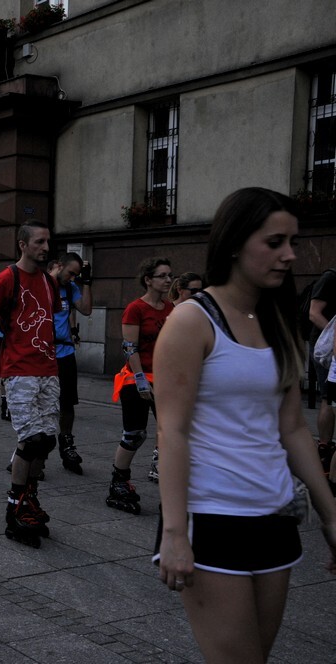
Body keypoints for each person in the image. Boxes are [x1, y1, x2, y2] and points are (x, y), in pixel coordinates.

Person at [154, 187, 336, 663]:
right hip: (211, 517)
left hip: (275, 515)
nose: (289, 255)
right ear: (235, 242)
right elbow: (171, 431)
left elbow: (293, 427)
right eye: (275, 242)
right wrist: (174, 532)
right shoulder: (192, 321)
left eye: (292, 242)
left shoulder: (277, 319)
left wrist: (331, 512)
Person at [0, 220, 60, 548]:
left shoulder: (50, 283)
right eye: (38, 242)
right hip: (19, 370)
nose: (45, 248)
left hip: (48, 369)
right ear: (22, 244)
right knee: (31, 440)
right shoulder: (8, 278)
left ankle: (30, 498)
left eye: (47, 241)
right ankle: (15, 507)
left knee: (47, 441)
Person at [106, 257, 174, 513]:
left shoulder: (171, 309)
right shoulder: (136, 309)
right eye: (162, 275)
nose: (168, 280)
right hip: (136, 378)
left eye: (170, 275)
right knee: (135, 434)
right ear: (148, 280)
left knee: (171, 434)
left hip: (165, 379)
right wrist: (140, 379)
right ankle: (119, 480)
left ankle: (172, 486)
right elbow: (129, 346)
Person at [48, 253, 93, 474]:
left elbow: (85, 309)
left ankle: (67, 445)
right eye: (70, 273)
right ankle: (29, 453)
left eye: (76, 274)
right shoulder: (41, 286)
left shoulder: (70, 288)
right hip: (43, 354)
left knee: (67, 404)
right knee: (42, 405)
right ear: (58, 265)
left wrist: (86, 282)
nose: (72, 277)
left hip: (65, 353)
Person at [308, 268, 336, 473]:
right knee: (328, 397)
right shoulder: (331, 277)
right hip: (325, 350)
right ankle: (324, 447)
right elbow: (314, 312)